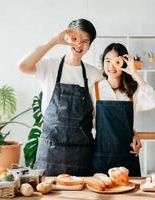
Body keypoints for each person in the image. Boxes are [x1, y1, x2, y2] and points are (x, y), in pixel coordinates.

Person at [18, 19, 101, 176]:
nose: (80, 45)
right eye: (76, 38)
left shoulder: (94, 74)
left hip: (81, 155)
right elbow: (23, 66)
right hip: (49, 153)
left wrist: (132, 132)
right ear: (68, 37)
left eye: (85, 41)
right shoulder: (50, 66)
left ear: (89, 46)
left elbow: (102, 114)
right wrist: (55, 41)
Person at [91, 43, 155, 176]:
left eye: (116, 61)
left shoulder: (133, 91)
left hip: (128, 156)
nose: (111, 66)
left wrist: (134, 73)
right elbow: (90, 123)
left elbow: (153, 100)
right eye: (107, 61)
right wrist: (135, 132)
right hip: (101, 156)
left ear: (124, 63)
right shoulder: (95, 89)